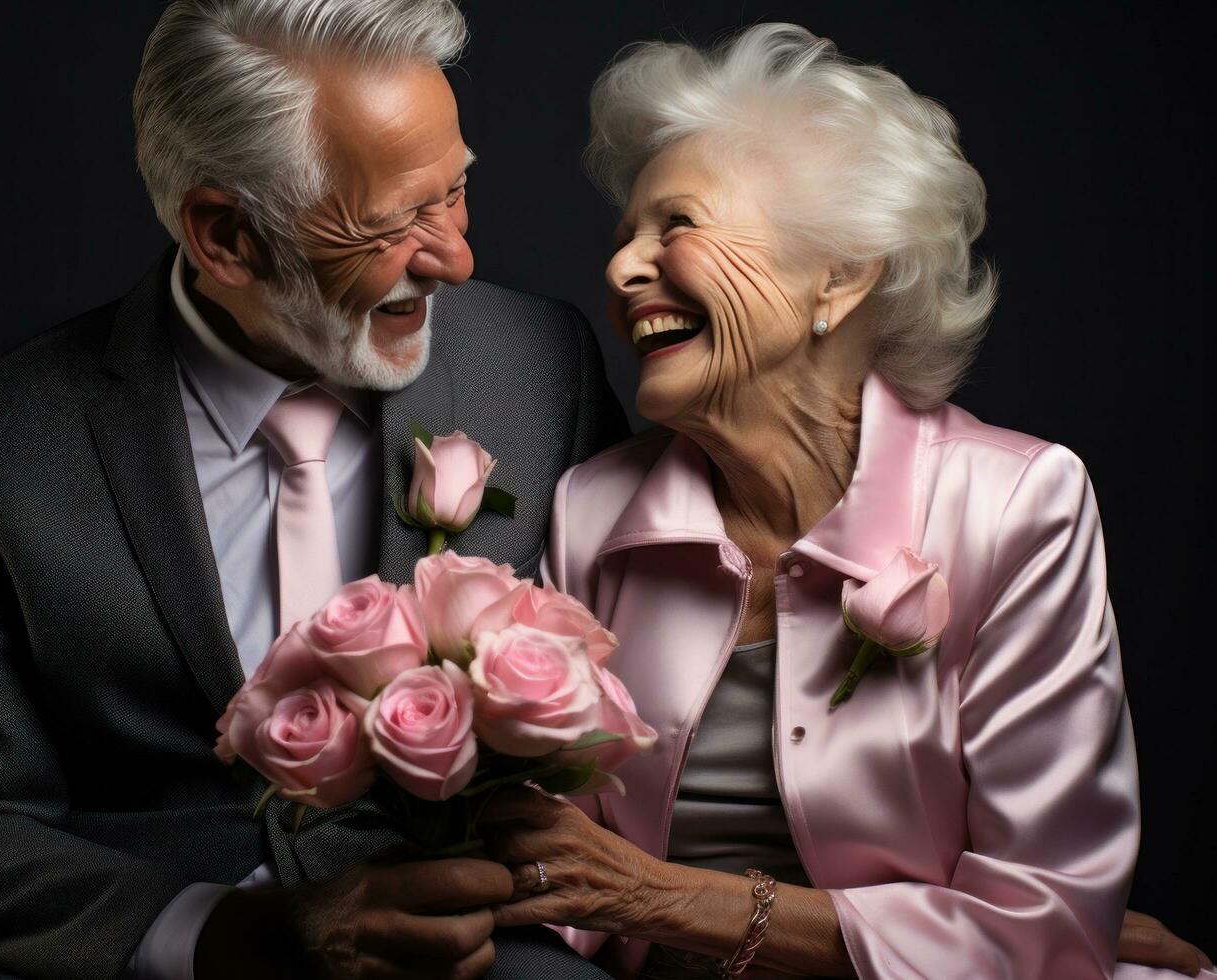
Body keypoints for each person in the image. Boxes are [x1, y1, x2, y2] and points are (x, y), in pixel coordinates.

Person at [0, 2, 627, 978]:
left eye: (456, 190)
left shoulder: (537, 364)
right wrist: (224, 935)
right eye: (395, 221)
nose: (457, 257)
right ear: (225, 235)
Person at [478, 24, 1215, 980]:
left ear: (840, 274)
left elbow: (1040, 929)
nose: (622, 270)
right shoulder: (593, 510)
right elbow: (550, 859)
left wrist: (661, 899)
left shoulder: (1017, 506)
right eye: (624, 237)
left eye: (678, 225)